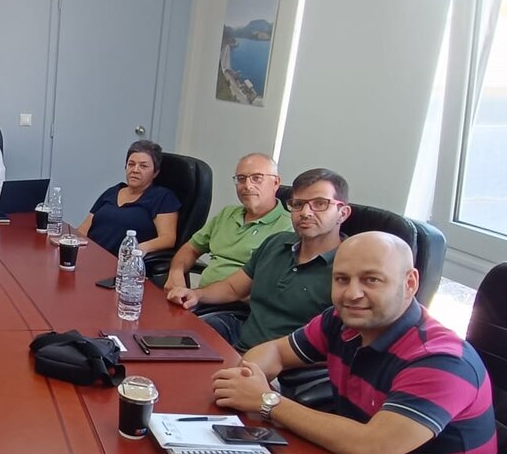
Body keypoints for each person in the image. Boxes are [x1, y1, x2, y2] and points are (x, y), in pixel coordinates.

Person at [212, 231, 498, 454]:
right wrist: (249, 376)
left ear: (410, 283)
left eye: (371, 280)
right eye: (342, 279)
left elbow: (371, 448)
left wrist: (267, 401)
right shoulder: (340, 321)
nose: (352, 293)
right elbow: (276, 351)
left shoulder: (441, 360)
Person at [166, 168, 352, 353]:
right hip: (240, 341)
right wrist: (197, 294)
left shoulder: (350, 268)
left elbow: (338, 345)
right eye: (298, 204)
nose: (305, 212)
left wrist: (265, 362)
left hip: (288, 364)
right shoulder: (276, 243)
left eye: (320, 204)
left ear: (343, 213)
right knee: (168, 344)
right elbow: (232, 288)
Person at [163, 153, 292, 290]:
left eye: (257, 178)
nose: (247, 186)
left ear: (275, 183)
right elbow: (192, 248)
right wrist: (176, 273)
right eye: (241, 179)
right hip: (199, 297)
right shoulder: (227, 214)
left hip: (235, 301)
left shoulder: (288, 227)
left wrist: (199, 295)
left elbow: (268, 287)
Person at [76, 140, 180, 254]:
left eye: (143, 166)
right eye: (131, 164)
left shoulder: (162, 197)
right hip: (88, 254)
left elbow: (167, 238)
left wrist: (137, 249)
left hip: (122, 260)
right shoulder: (112, 192)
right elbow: (83, 229)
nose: (135, 170)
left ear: (155, 172)